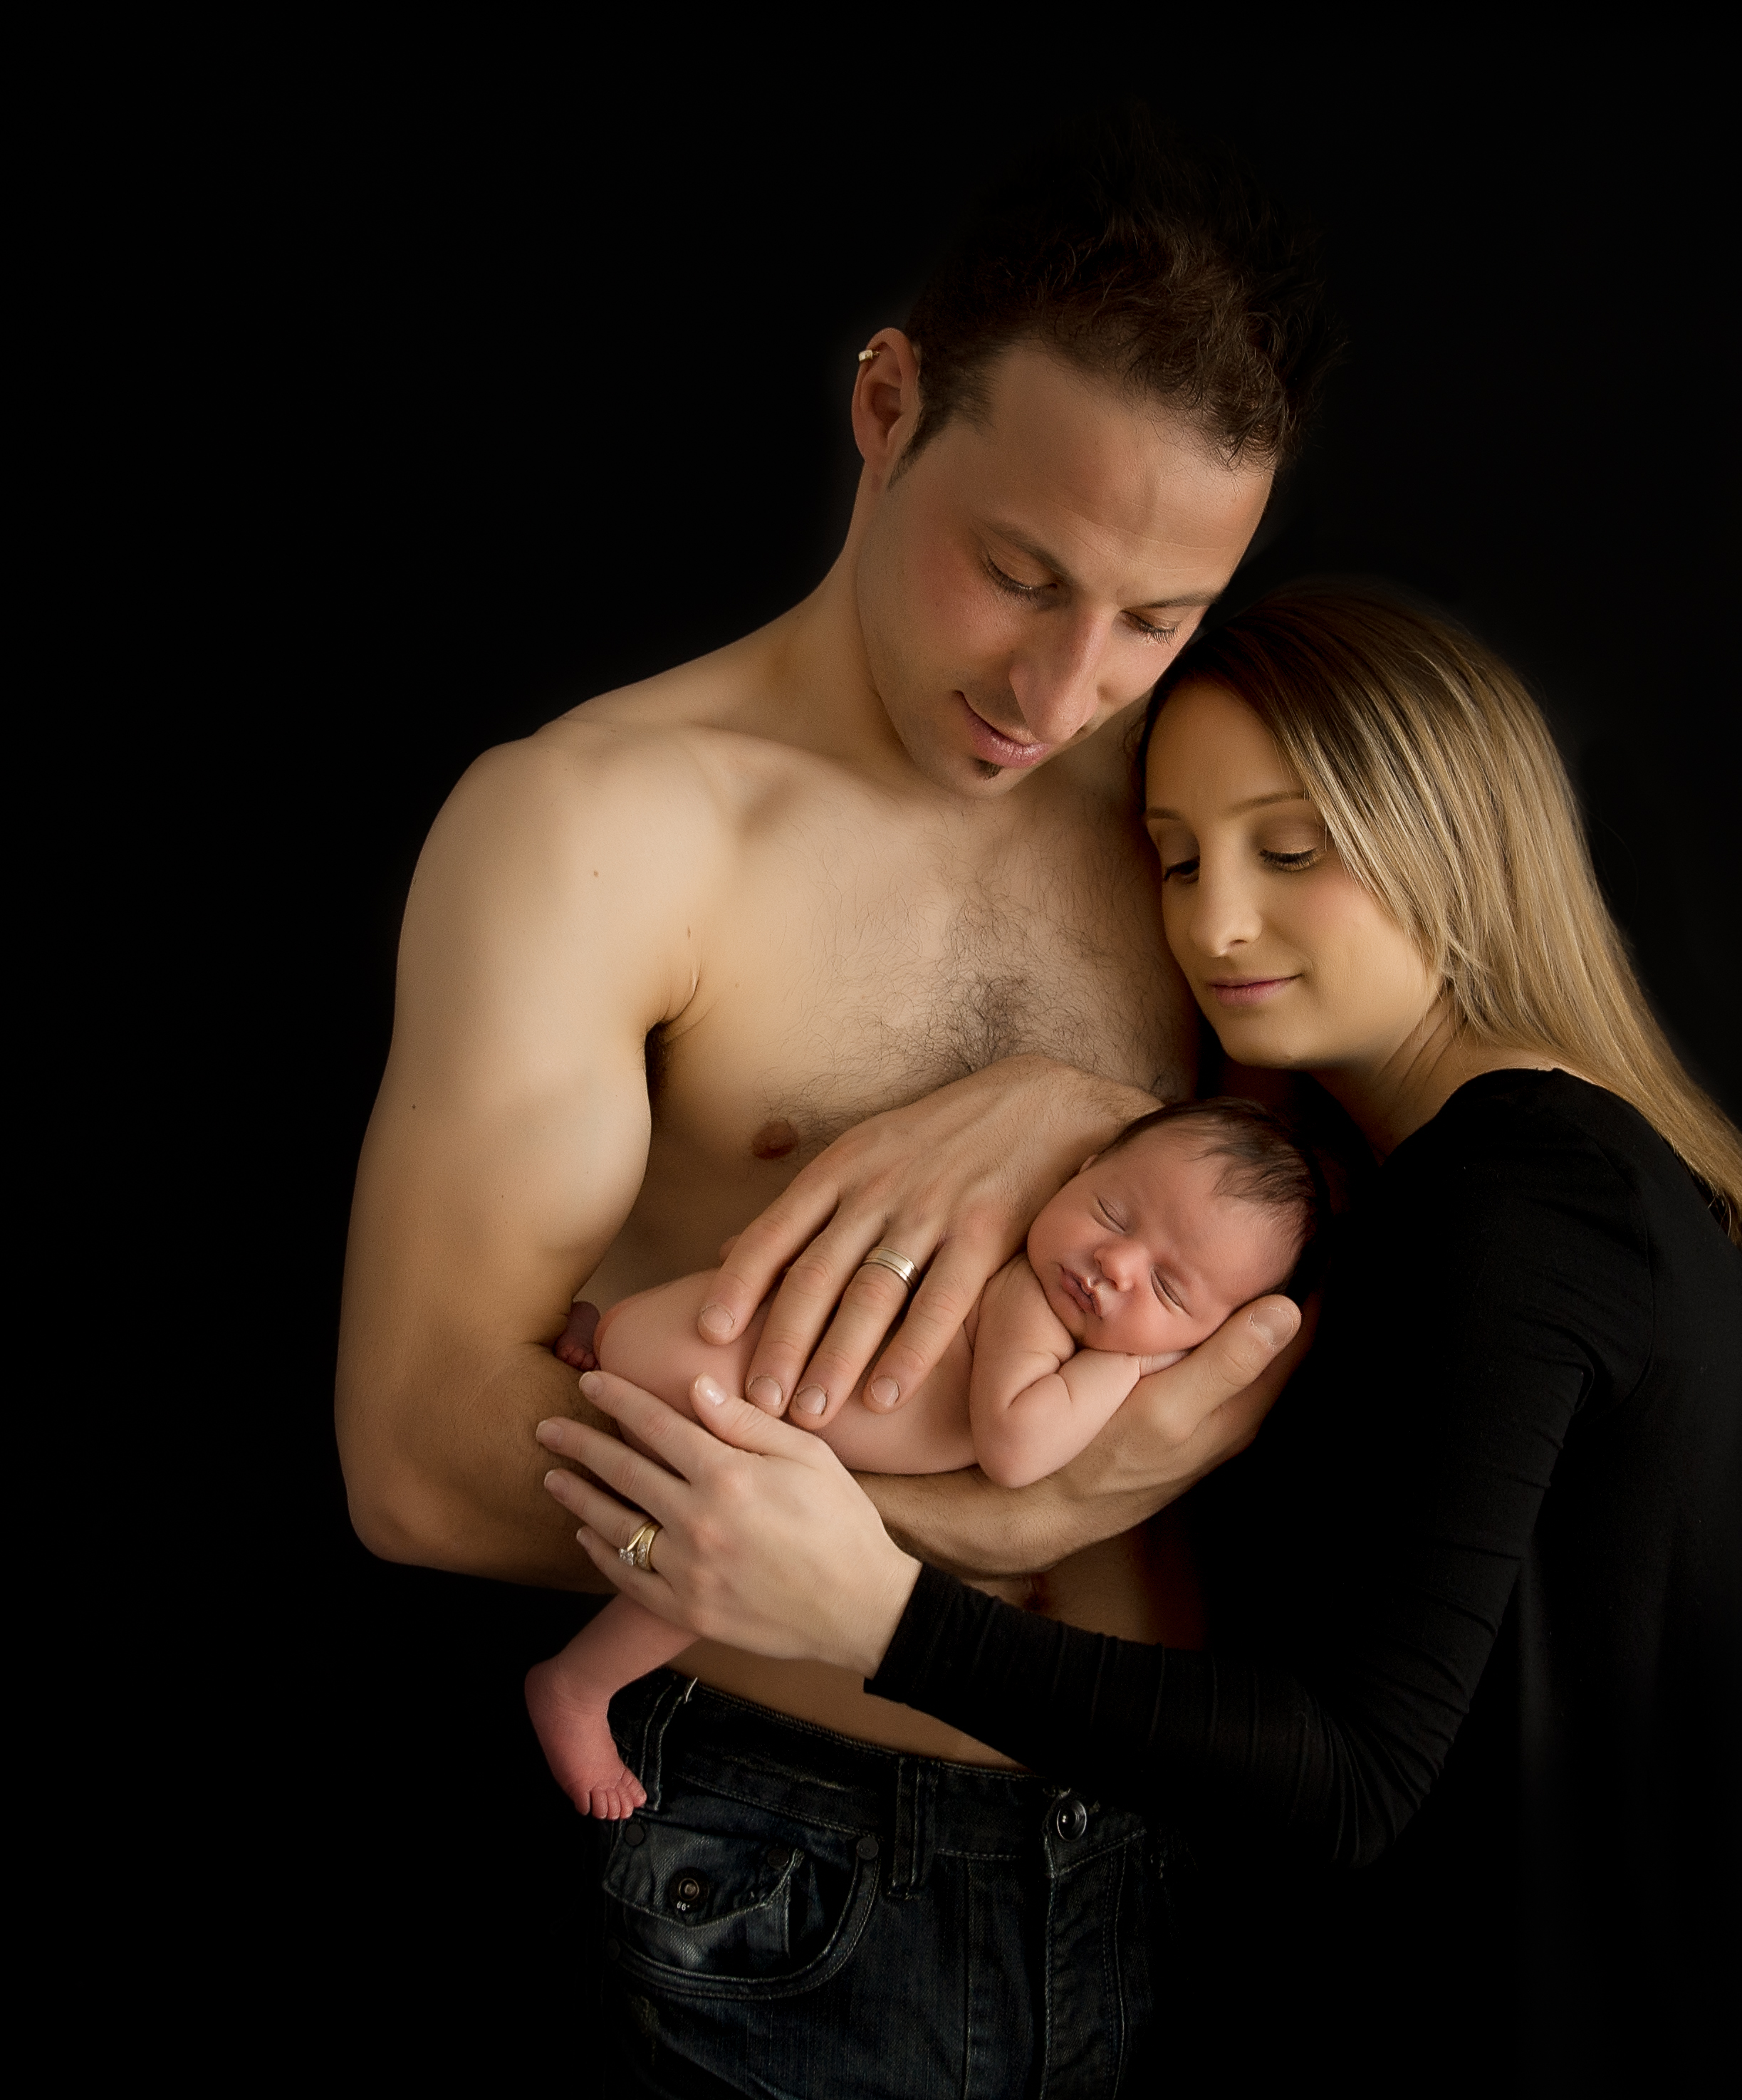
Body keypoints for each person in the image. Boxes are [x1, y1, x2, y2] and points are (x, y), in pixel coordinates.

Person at [336, 112, 1335, 2096]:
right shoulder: (600, 827)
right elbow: (422, 1454)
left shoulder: (1192, 821)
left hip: (1184, 1840)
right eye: (1018, 572)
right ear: (885, 403)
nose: (1064, 685)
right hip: (789, 1876)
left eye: (1154, 619)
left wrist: (1064, 1105)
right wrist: (1001, 1516)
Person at [541, 583, 1742, 2090]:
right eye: (1174, 855)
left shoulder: (1514, 1204)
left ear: (1452, 841)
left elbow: (1350, 1775)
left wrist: (881, 1614)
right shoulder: (1618, 1191)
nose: (1214, 920)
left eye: (1291, 848)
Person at [526, 1097, 1320, 1820]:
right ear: (1079, 1169)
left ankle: (599, 1333)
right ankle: (577, 1684)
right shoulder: (1028, 1303)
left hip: (671, 1336)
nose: (1116, 1266)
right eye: (1111, 1213)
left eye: (1170, 1292)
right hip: (699, 1407)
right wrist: (1127, 1365)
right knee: (710, 1572)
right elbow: (1016, 1449)